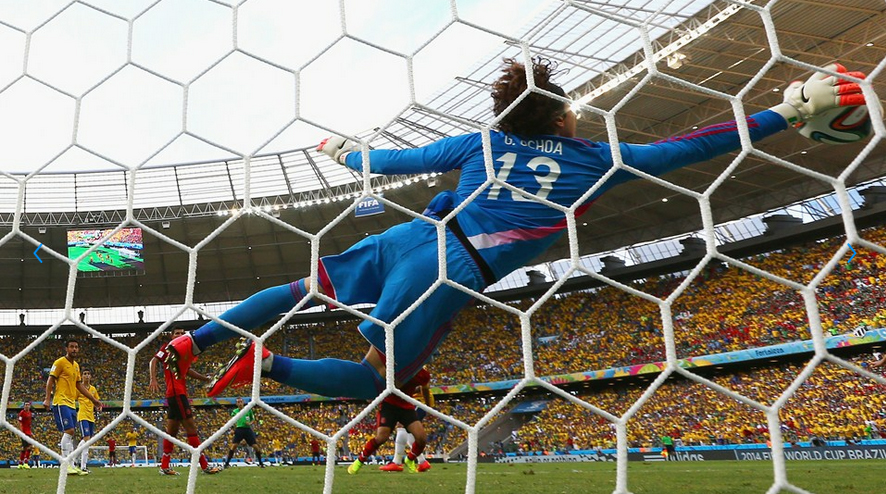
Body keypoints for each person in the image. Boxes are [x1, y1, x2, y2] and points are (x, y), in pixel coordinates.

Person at [162, 59, 867, 403]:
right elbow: (695, 147)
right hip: (451, 269)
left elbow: (382, 161)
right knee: (381, 385)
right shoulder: (596, 161)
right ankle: (272, 366)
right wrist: (786, 113)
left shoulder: (480, 146)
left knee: (298, 287)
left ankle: (199, 340)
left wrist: (339, 150)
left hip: (408, 239)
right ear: (560, 117)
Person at [148, 327, 222, 476]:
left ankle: (164, 466)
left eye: (182, 333)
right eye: (177, 333)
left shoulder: (183, 351)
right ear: (171, 336)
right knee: (191, 429)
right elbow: (153, 361)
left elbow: (186, 370)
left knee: (172, 432)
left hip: (176, 394)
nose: (180, 335)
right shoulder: (168, 348)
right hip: (177, 394)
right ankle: (204, 465)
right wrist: (153, 379)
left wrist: (206, 379)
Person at [349, 368, 432, 474]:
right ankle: (359, 461)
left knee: (421, 439)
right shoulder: (397, 366)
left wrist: (429, 407)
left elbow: (425, 389)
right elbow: (378, 378)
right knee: (381, 438)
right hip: (389, 405)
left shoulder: (423, 374)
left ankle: (409, 459)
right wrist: (371, 394)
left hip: (407, 407)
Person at [43, 338, 102, 476]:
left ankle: (71, 465)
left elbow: (79, 385)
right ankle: (66, 464)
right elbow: (50, 379)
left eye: (76, 347)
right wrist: (47, 399)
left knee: (71, 433)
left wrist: (94, 400)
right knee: (69, 430)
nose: (74, 349)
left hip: (71, 403)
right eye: (71, 347)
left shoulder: (76, 366)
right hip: (60, 401)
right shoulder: (59, 363)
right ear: (66, 349)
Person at [222, 397, 266, 468]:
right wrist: (232, 429)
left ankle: (261, 463)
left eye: (241, 402)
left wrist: (250, 423)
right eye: (238, 402)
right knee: (233, 446)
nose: (240, 403)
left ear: (243, 402)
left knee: (255, 446)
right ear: (236, 404)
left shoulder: (248, 410)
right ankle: (227, 463)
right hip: (239, 429)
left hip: (247, 429)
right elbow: (232, 421)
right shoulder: (235, 411)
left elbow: (253, 419)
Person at [75, 369, 100, 472]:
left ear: (91, 376)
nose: (87, 376)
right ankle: (83, 467)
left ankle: (73, 457)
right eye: (85, 374)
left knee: (87, 440)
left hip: (91, 417)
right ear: (81, 376)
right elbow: (73, 398)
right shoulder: (78, 388)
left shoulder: (93, 389)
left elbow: (97, 401)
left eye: (88, 374)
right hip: (83, 416)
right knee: (86, 439)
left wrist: (99, 406)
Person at [16, 401, 33, 469]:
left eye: (28, 405)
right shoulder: (22, 413)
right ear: (24, 406)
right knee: (29, 447)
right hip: (24, 432)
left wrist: (31, 432)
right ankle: (25, 463)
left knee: (25, 447)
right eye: (25, 405)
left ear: (29, 406)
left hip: (28, 432)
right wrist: (21, 431)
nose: (26, 406)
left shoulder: (30, 413)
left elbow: (29, 424)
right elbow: (19, 422)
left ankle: (20, 463)